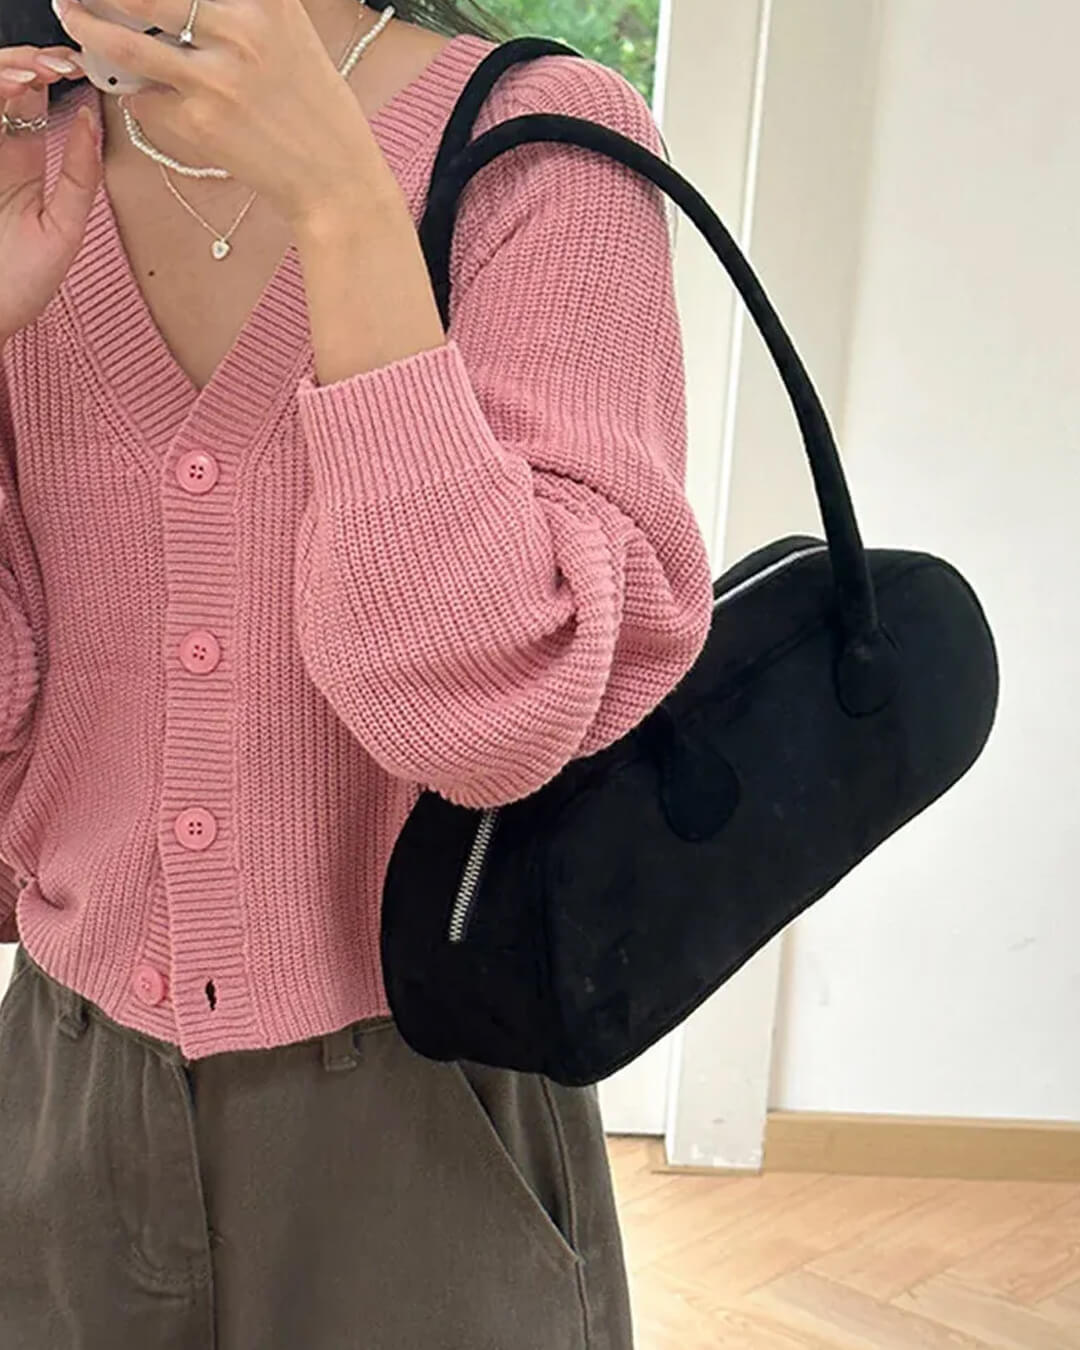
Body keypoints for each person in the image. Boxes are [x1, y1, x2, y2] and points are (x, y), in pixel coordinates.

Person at [0, 0, 714, 1345]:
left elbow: (491, 714)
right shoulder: (27, 149)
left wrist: (344, 210)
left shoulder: (539, 146)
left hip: (428, 1112)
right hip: (57, 1100)